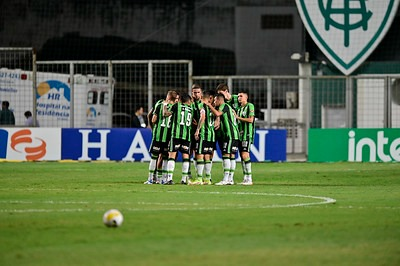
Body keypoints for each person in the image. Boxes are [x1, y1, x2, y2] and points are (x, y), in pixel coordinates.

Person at [144, 91, 179, 184]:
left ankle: (151, 179)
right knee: (165, 157)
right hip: (168, 136)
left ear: (168, 97)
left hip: (158, 135)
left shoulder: (159, 104)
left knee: (154, 157)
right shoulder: (176, 107)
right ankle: (163, 179)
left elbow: (153, 119)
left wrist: (154, 128)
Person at [205, 93, 240, 185]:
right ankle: (230, 179)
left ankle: (225, 179)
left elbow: (217, 113)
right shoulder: (227, 107)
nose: (214, 102)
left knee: (226, 155)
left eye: (216, 100)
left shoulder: (224, 106)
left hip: (230, 135)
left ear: (220, 100)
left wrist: (209, 105)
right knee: (232, 156)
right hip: (234, 135)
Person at [164, 93, 193, 185]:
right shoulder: (191, 109)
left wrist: (165, 106)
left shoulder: (176, 106)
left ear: (181, 99)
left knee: (172, 156)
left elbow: (166, 114)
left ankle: (169, 179)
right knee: (186, 157)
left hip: (176, 135)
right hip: (186, 136)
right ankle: (184, 179)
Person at [192, 90, 216, 185]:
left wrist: (197, 129)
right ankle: (208, 178)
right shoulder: (212, 107)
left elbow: (202, 117)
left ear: (202, 97)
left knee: (200, 155)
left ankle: (199, 179)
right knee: (207, 156)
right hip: (211, 135)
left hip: (204, 134)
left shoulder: (202, 105)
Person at [235, 91, 255, 185]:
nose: (239, 97)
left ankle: (249, 178)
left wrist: (237, 118)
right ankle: (245, 178)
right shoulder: (239, 109)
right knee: (242, 157)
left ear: (246, 97)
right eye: (238, 96)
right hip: (240, 135)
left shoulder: (250, 106)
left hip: (247, 134)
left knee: (245, 155)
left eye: (241, 96)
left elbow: (251, 120)